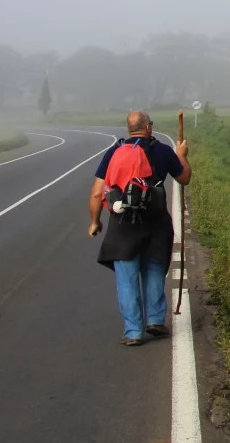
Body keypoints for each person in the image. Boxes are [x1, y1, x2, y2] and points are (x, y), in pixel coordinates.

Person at [88, 110, 191, 346]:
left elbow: (97, 191)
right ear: (148, 128)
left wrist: (95, 221)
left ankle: (133, 332)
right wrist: (182, 155)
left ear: (129, 129)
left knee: (127, 278)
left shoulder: (114, 152)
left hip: (123, 225)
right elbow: (184, 178)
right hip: (156, 223)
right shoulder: (162, 151)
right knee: (154, 269)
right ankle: (155, 320)